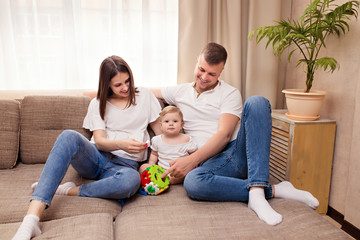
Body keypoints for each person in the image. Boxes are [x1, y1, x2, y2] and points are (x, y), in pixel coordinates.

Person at [152, 42, 319, 226]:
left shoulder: (229, 93)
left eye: (212, 74)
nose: (204, 77)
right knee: (193, 183)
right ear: (197, 62)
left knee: (257, 102)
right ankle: (273, 190)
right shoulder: (180, 91)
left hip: (235, 152)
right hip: (213, 164)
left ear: (221, 72)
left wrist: (191, 161)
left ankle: (256, 193)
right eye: (201, 69)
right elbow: (143, 92)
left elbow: (224, 134)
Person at [12, 55, 162, 240]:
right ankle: (31, 221)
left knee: (131, 180)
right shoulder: (97, 103)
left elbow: (161, 134)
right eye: (117, 85)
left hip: (125, 166)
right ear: (107, 84)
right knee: (68, 136)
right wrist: (121, 143)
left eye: (127, 81)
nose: (125, 88)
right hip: (96, 158)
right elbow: (99, 141)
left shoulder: (145, 96)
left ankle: (68, 190)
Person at [139, 106, 198, 184]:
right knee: (143, 167)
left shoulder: (186, 140)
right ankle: (156, 178)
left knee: (185, 173)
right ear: (161, 125)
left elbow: (193, 157)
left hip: (177, 171)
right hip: (160, 170)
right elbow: (154, 154)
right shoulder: (157, 140)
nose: (171, 124)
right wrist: (151, 165)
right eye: (166, 121)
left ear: (181, 125)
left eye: (175, 121)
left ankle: (166, 181)